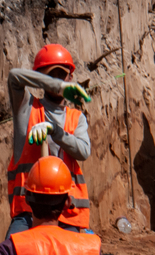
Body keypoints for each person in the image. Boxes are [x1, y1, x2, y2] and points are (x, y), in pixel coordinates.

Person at [6, 44, 92, 238]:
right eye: (50, 75)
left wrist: (56, 132)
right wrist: (56, 85)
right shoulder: (27, 109)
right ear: (40, 79)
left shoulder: (76, 118)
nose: (57, 79)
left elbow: (83, 151)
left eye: (62, 75)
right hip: (29, 212)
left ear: (70, 77)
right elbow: (14, 77)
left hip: (67, 212)